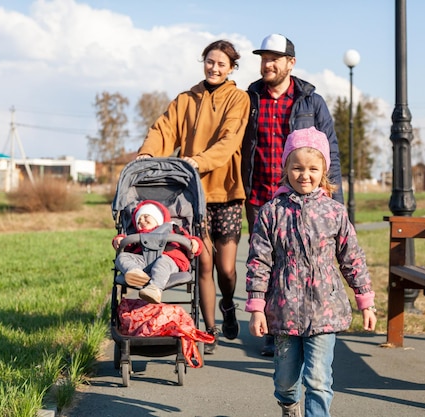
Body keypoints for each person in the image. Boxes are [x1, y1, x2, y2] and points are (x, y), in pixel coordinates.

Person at [245, 127, 376, 417]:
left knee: (318, 379)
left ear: (324, 172)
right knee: (285, 380)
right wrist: (257, 308)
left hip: (324, 310)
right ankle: (289, 403)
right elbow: (259, 261)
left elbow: (352, 258)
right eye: (297, 168)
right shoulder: (271, 212)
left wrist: (365, 300)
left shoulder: (334, 212)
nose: (305, 175)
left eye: (313, 169)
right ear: (286, 169)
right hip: (283, 309)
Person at [136, 40, 250, 353]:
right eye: (210, 62)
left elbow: (229, 140)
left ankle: (228, 303)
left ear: (231, 68)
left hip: (225, 191)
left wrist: (198, 161)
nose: (214, 68)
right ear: (204, 62)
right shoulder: (186, 99)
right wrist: (147, 153)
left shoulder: (238, 99)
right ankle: (209, 329)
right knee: (203, 263)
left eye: (221, 64)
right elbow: (164, 129)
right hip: (191, 194)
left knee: (226, 269)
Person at [242, 33, 345, 357]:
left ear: (291, 63)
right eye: (263, 58)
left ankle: (311, 326)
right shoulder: (251, 98)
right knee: (268, 261)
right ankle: (276, 330)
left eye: (274, 58)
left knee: (303, 260)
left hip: (305, 195)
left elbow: (332, 148)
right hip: (260, 193)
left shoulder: (310, 101)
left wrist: (331, 196)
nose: (267, 64)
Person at [112, 200, 204, 304]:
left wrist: (194, 243)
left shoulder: (172, 228)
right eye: (138, 221)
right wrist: (120, 239)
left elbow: (188, 239)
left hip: (170, 260)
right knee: (121, 257)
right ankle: (135, 272)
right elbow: (127, 244)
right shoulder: (138, 234)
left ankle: (154, 288)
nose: (142, 221)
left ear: (157, 218)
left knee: (162, 262)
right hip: (144, 263)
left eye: (146, 217)